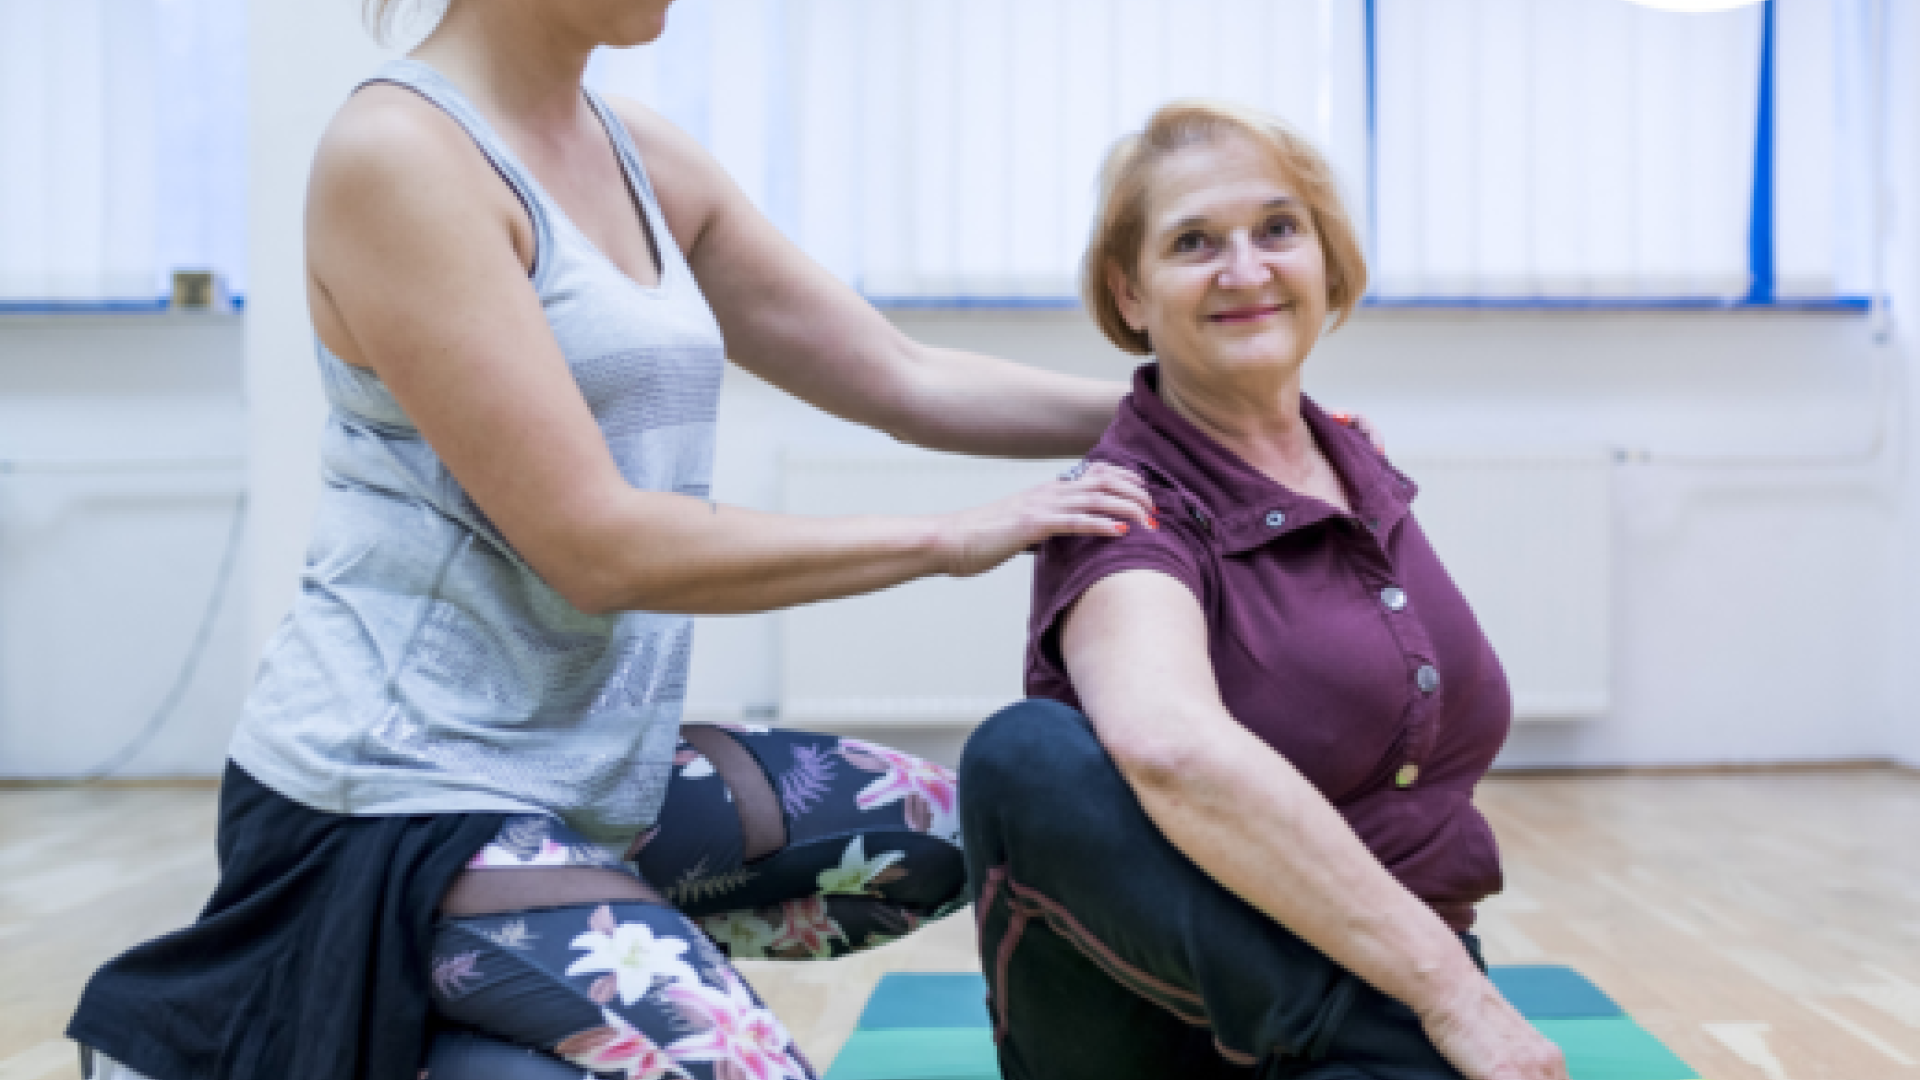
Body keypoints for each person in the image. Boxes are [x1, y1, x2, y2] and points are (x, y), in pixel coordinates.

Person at [63, 1, 1162, 1078]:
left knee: (949, 836)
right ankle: (278, 1018)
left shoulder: (640, 154)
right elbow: (598, 548)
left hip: (596, 775)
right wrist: (952, 536)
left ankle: (502, 978)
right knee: (745, 1069)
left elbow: (902, 377)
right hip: (399, 801)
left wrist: (1188, 411)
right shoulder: (400, 157)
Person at [958, 102, 1571, 1080]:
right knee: (1025, 753)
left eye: (1277, 229)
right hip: (1205, 1026)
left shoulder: (1353, 463)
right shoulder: (1126, 504)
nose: (1245, 270)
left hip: (1406, 985)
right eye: (1193, 242)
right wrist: (1451, 999)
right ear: (1129, 294)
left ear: (1326, 260)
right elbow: (1168, 745)